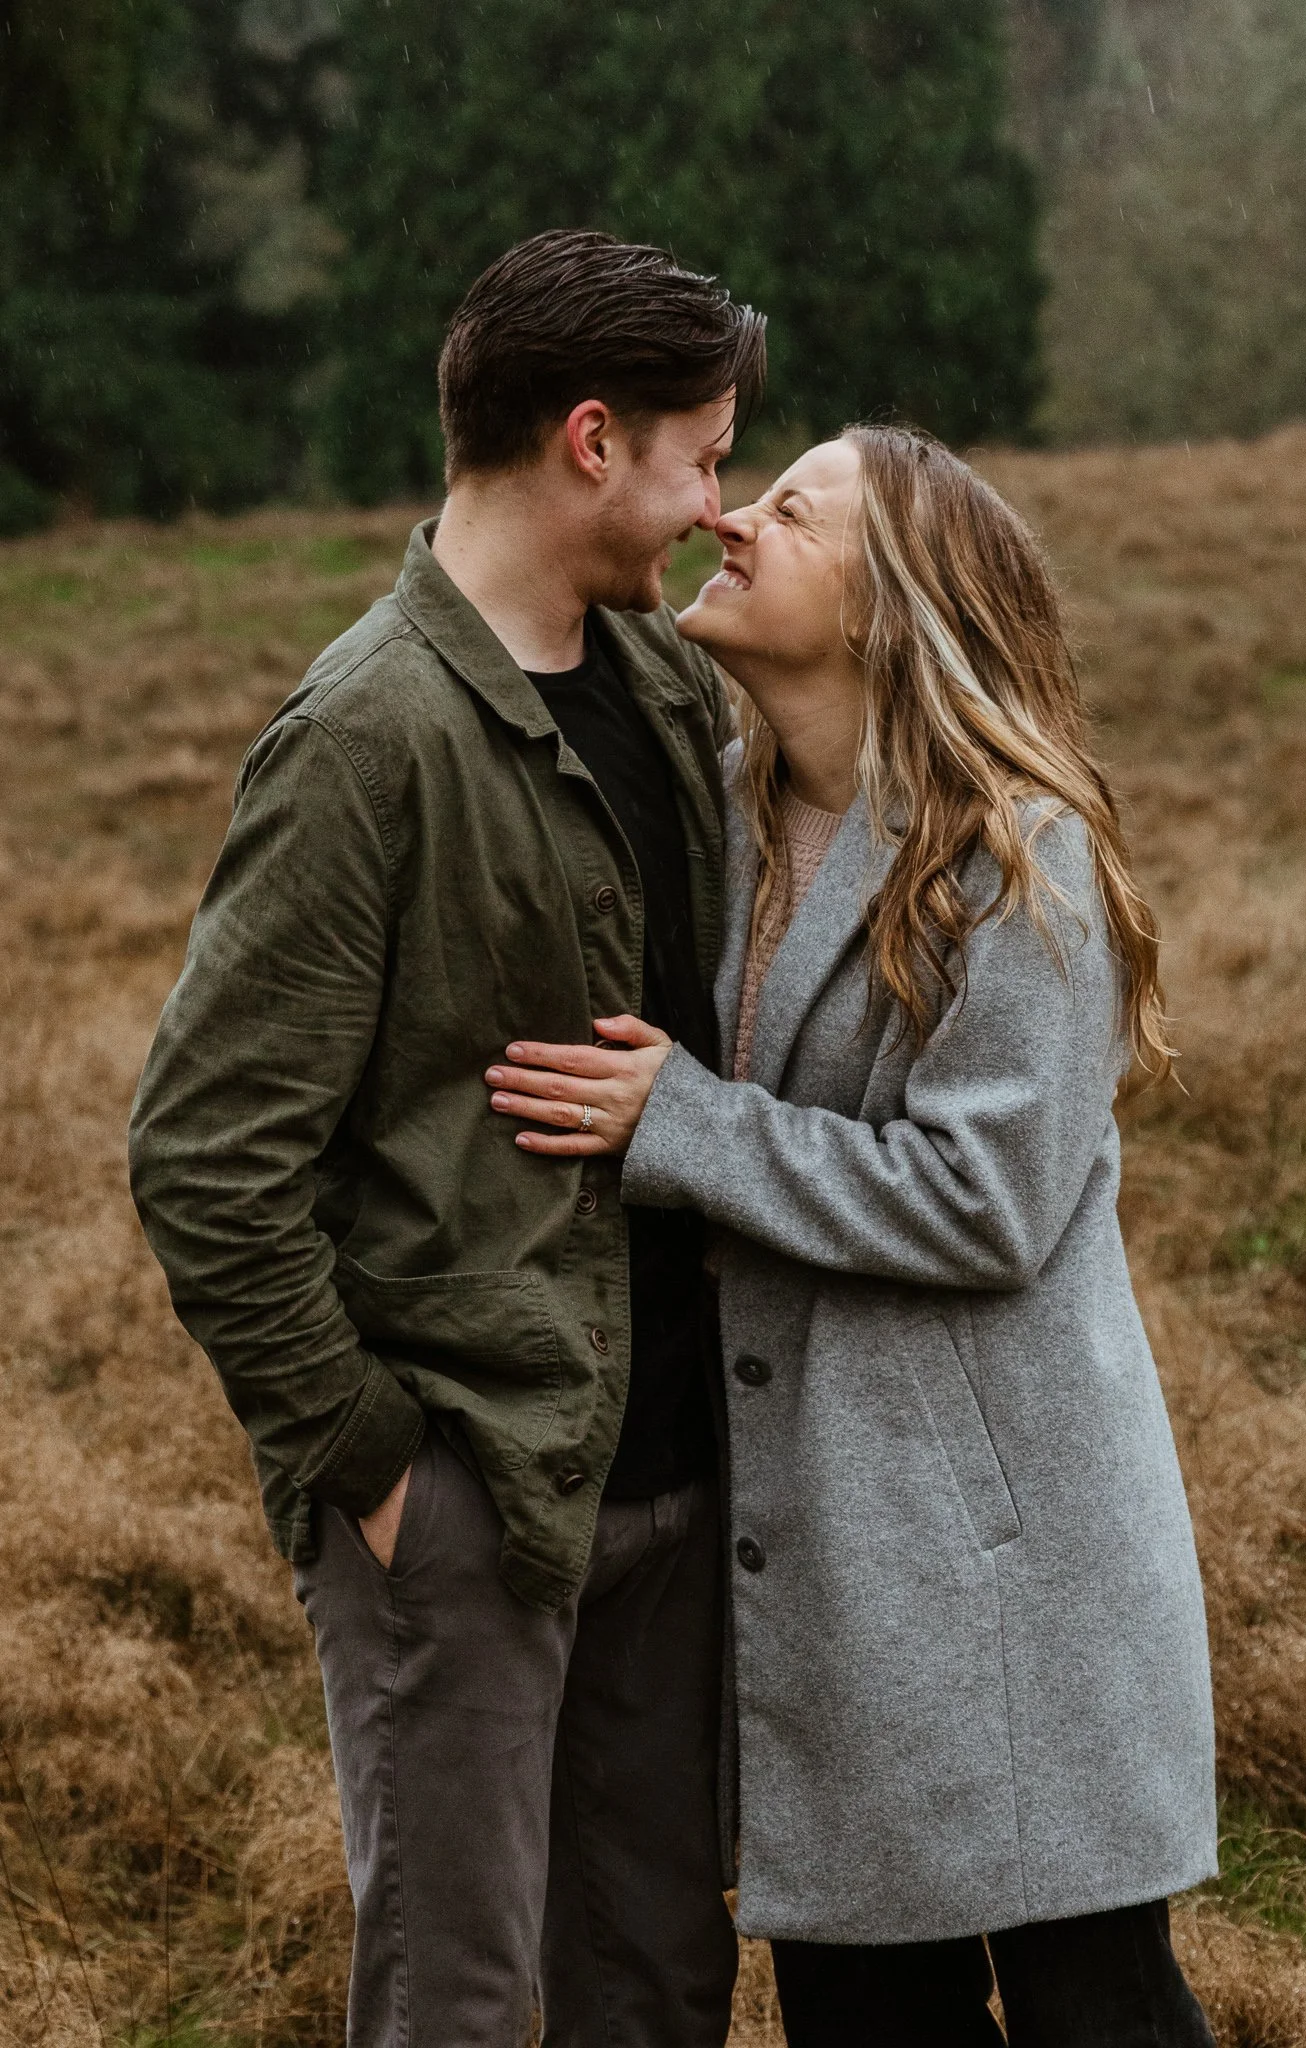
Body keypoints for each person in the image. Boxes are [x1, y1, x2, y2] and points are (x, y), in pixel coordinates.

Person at [485, 427, 1220, 2046]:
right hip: (823, 1570)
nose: (735, 521)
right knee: (867, 2012)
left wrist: (680, 1125)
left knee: (1097, 2002)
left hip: (1007, 1580)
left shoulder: (1019, 858)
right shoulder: (723, 819)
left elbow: (991, 1200)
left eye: (792, 508)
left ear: (891, 608)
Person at [128, 228, 766, 2048]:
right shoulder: (363, 737)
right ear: (591, 440)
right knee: (461, 2005)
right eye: (701, 456)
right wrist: (385, 1470)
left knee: (655, 1987)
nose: (718, 507)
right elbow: (204, 1156)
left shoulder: (657, 687)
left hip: (667, 1470)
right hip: (470, 1500)